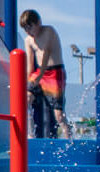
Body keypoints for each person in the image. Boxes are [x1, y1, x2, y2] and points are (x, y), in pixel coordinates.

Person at [20, 10, 69, 139]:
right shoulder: (28, 40)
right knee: (26, 98)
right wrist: (26, 82)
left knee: (58, 115)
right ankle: (30, 134)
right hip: (39, 73)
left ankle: (70, 138)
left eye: (30, 27)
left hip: (55, 72)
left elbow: (46, 53)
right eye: (25, 28)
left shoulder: (48, 31)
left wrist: (40, 75)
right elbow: (30, 64)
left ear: (39, 23)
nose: (28, 31)